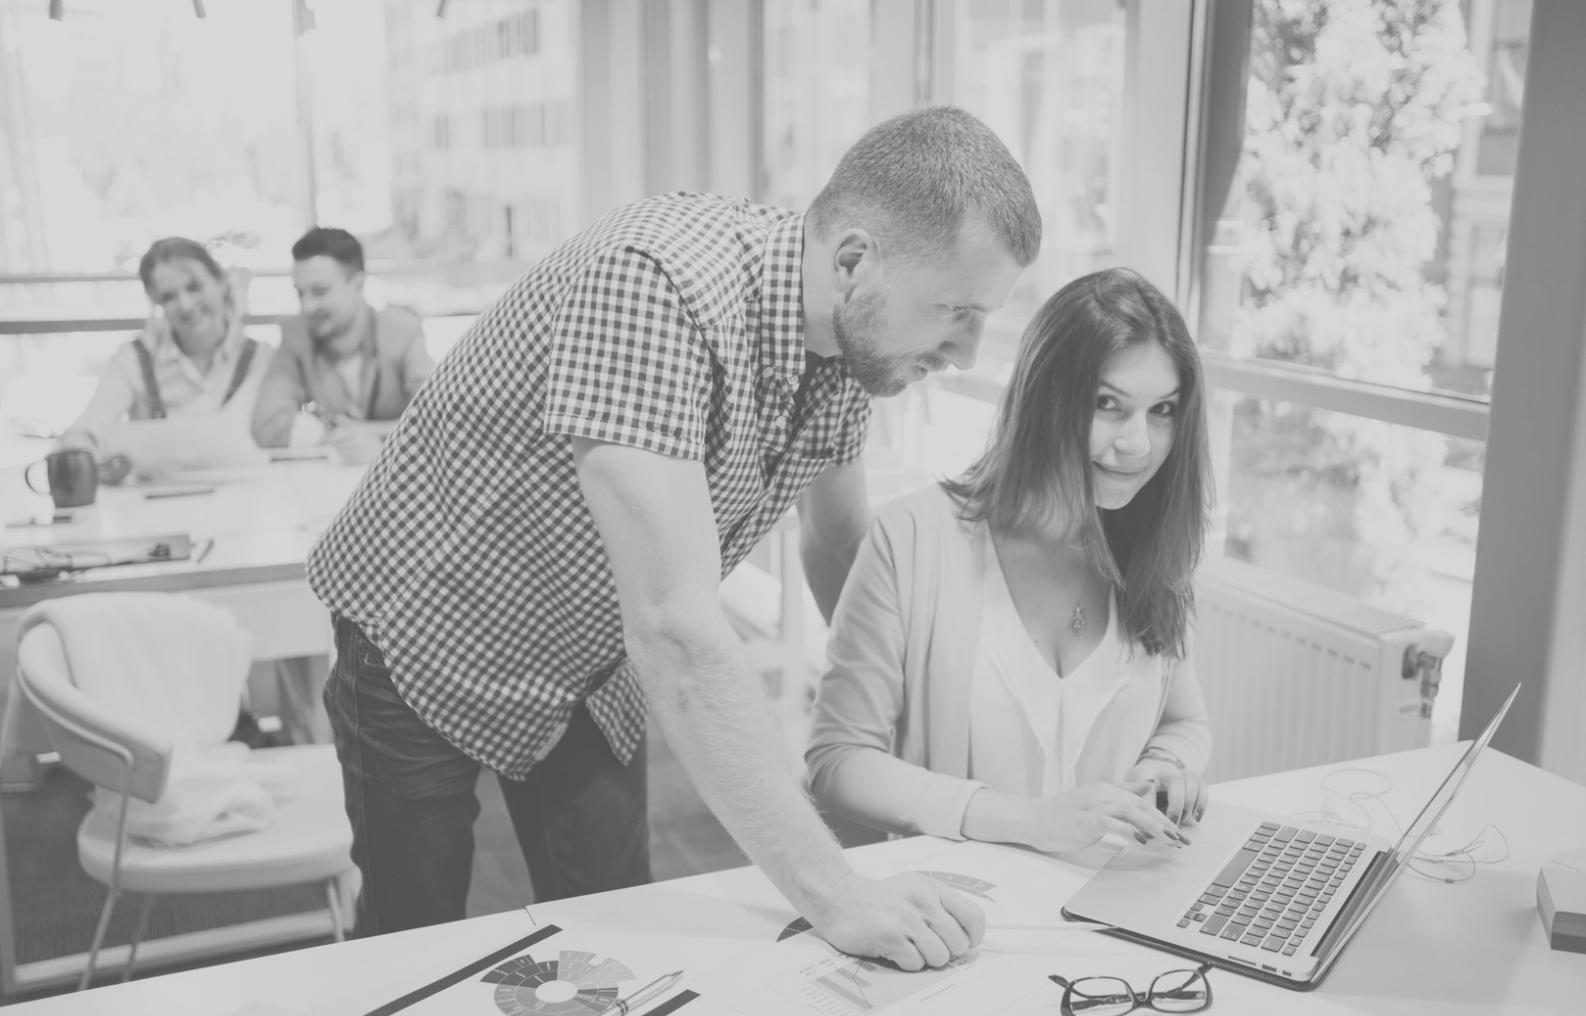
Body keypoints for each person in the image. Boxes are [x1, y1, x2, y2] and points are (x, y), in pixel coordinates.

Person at [307, 106, 1041, 969]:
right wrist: (837, 892)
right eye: (954, 312)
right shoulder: (656, 284)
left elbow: (838, 544)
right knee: (412, 944)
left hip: (588, 661)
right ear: (852, 261)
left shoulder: (852, 343)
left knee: (617, 935)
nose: (964, 351)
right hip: (428, 629)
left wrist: (911, 724)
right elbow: (677, 627)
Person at [806, 268, 1215, 858]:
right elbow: (837, 761)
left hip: (1116, 905)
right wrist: (1026, 820)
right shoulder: (915, 537)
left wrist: (1167, 771)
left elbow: (1185, 722)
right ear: (1044, 397)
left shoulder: (1152, 546)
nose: (1138, 444)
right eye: (1108, 404)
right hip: (961, 914)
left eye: (1163, 411)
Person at [61, 237, 270, 459]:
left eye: (194, 287)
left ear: (220, 281)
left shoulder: (260, 358)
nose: (185, 305)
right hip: (156, 493)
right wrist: (79, 449)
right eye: (168, 297)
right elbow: (88, 427)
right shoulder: (133, 360)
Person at [250, 227, 434, 464]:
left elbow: (437, 419)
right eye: (300, 293)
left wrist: (372, 439)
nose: (307, 306)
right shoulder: (295, 336)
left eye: (320, 292)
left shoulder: (402, 331)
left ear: (358, 284)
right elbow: (267, 426)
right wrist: (337, 437)